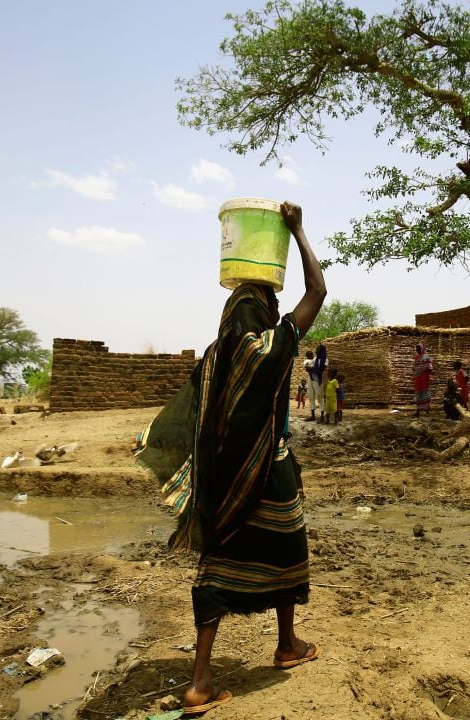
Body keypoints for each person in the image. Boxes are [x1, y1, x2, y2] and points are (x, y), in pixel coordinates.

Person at [133, 200, 326, 715]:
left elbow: (197, 418)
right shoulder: (275, 343)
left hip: (225, 477)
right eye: (266, 296)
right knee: (288, 548)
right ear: (263, 307)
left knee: (217, 565)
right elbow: (318, 291)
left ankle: (200, 681)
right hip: (271, 469)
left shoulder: (218, 352)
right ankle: (287, 644)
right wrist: (299, 231)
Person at [413, 342, 433, 417]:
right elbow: (414, 368)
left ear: (422, 349)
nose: (417, 349)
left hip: (424, 378)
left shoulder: (426, 357)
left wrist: (423, 371)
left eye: (418, 348)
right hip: (418, 379)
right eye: (416, 348)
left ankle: (427, 409)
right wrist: (418, 371)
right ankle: (418, 410)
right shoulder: (416, 358)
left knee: (425, 393)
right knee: (418, 394)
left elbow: (430, 368)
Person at [309, 344, 328, 423]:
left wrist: (311, 369)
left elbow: (321, 371)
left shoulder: (325, 360)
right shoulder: (315, 359)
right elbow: (309, 367)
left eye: (317, 349)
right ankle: (312, 415)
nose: (316, 350)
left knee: (320, 397)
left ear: (321, 351)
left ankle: (322, 416)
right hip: (311, 379)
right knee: (311, 396)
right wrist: (311, 369)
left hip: (318, 380)